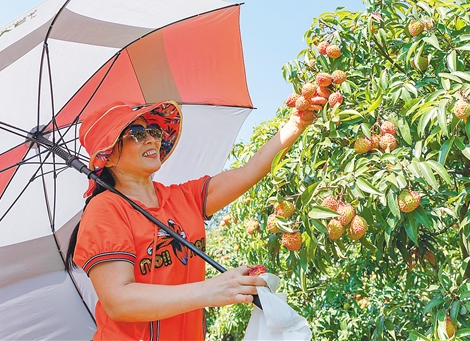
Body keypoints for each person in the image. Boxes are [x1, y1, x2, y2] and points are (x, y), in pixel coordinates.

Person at [65, 99, 317, 340]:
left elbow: (250, 170)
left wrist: (297, 122)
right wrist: (211, 290)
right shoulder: (105, 210)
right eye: (136, 133)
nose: (151, 138)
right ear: (107, 155)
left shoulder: (185, 197)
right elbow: (119, 301)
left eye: (153, 130)